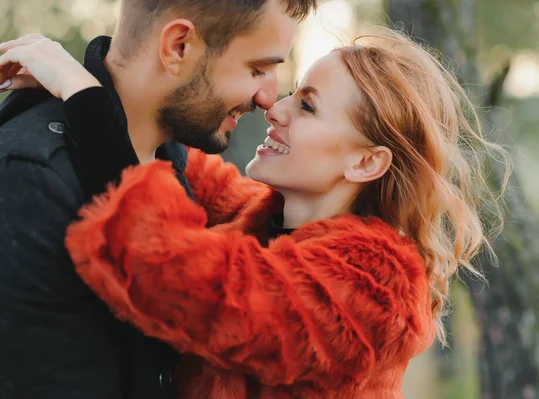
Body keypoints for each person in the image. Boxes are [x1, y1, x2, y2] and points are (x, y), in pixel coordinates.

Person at [1, 28, 509, 398]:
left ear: (366, 162)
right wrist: (87, 85)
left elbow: (181, 278)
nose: (275, 107)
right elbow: (166, 156)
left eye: (307, 107)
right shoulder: (264, 217)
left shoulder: (374, 287)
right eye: (290, 92)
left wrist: (88, 102)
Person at [0, 1, 316, 398]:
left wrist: (88, 98)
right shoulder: (34, 179)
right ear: (179, 46)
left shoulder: (176, 165)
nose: (269, 98)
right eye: (256, 69)